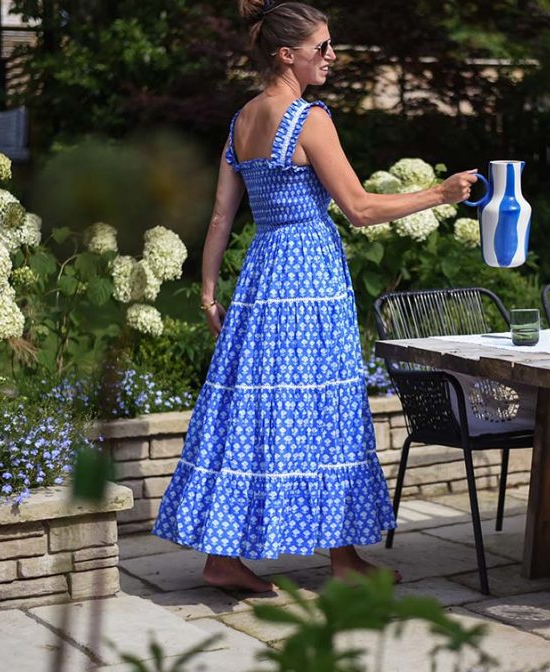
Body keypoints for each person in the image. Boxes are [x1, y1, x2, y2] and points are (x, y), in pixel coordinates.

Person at [152, 0, 478, 593]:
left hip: (260, 281)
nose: (332, 56)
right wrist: (441, 192)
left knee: (253, 412)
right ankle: (343, 564)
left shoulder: (241, 120)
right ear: (287, 54)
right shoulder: (308, 118)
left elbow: (222, 217)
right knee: (325, 413)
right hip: (309, 282)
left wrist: (207, 296)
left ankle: (228, 557)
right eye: (321, 47)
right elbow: (358, 208)